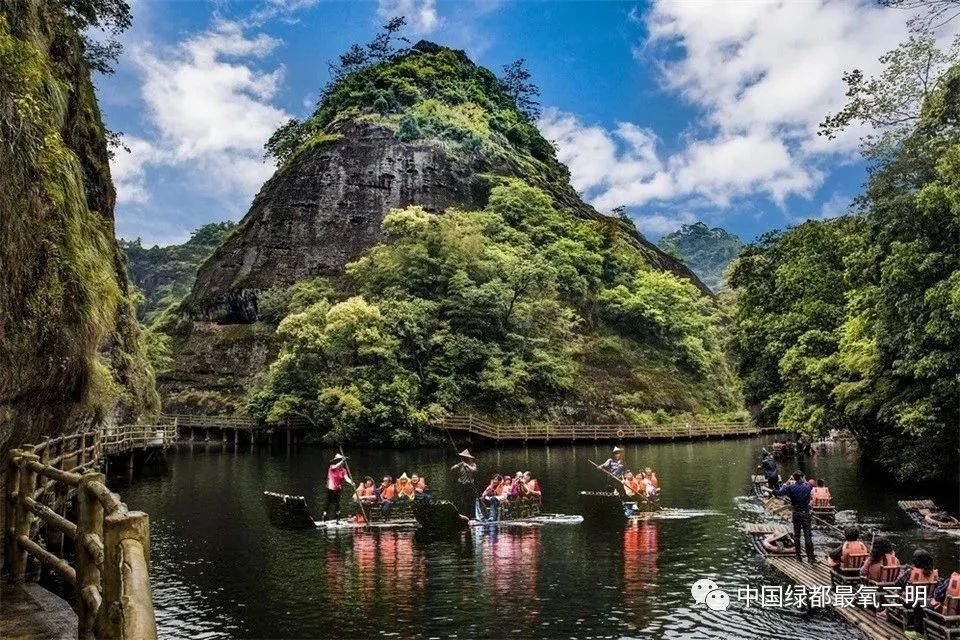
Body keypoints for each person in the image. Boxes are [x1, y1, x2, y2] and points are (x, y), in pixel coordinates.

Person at [767, 471, 814, 563]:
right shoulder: (808, 487)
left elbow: (779, 493)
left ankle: (798, 557)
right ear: (801, 477)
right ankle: (811, 558)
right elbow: (812, 490)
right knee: (808, 536)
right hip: (805, 514)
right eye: (804, 477)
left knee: (797, 536)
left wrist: (769, 490)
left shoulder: (790, 487)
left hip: (796, 514)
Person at [322, 453, 354, 522]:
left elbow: (346, 478)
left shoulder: (343, 470)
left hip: (338, 489)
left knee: (337, 503)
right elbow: (336, 466)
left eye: (343, 462)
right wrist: (342, 460)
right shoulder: (332, 467)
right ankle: (324, 516)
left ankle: (337, 518)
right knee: (328, 503)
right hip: (330, 488)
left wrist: (351, 482)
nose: (343, 464)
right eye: (341, 462)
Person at [450, 449, 477, 514]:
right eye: (462, 457)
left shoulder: (473, 464)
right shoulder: (460, 464)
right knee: (462, 499)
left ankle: (472, 514)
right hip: (461, 484)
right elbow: (451, 469)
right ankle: (463, 513)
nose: (463, 458)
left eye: (464, 457)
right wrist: (455, 467)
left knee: (471, 500)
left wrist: (467, 466)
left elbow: (474, 470)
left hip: (469, 484)